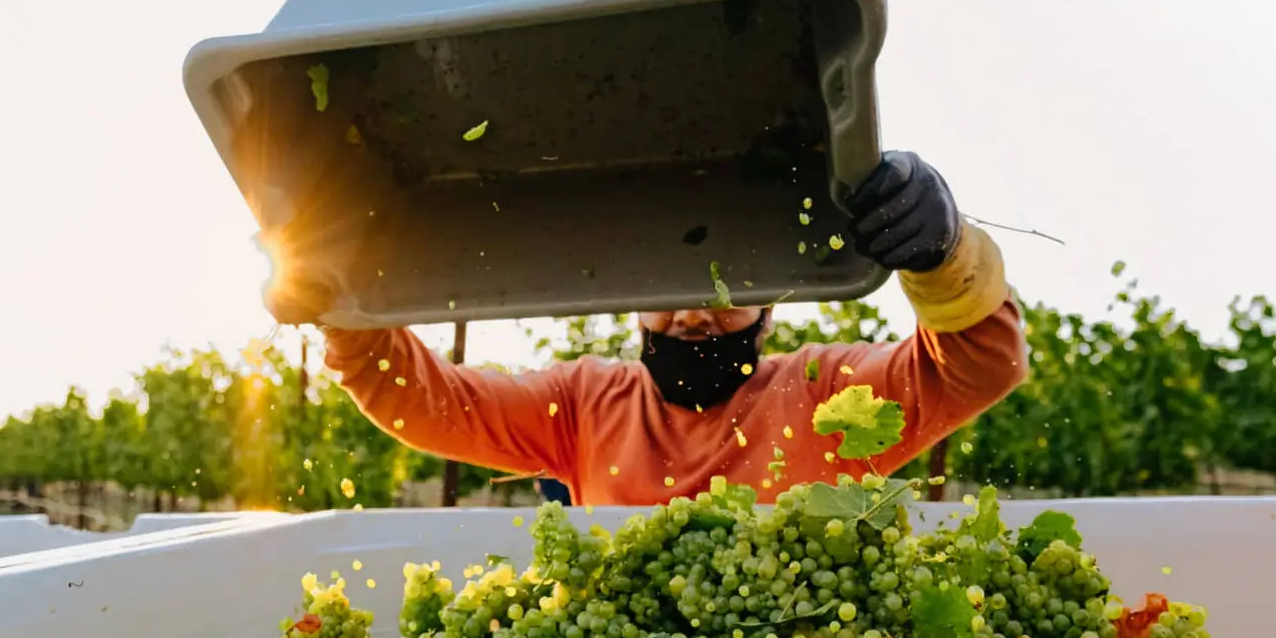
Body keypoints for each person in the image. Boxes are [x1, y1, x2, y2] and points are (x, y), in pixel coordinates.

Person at [264, 152, 1027, 507]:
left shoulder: (829, 398)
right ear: (633, 300)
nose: (694, 314)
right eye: (668, 290)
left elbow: (980, 364)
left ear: (772, 306)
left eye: (729, 292)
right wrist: (345, 311)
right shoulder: (583, 404)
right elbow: (434, 404)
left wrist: (947, 254)